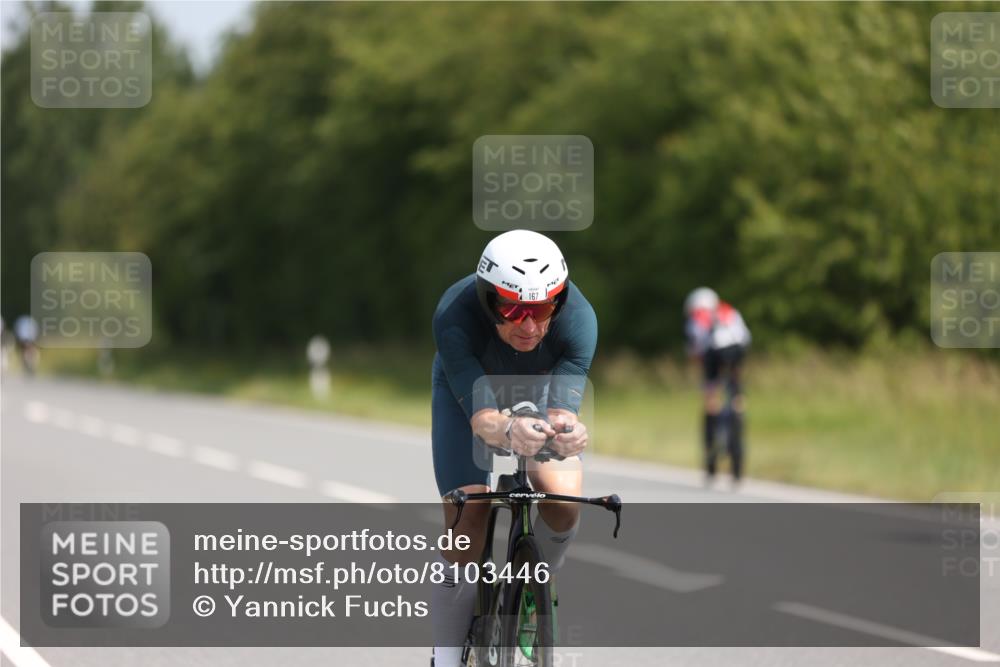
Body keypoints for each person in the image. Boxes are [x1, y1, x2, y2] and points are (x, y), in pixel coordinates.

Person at [430, 230, 597, 667]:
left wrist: (569, 432)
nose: (529, 325)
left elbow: (562, 412)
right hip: (468, 394)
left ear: (558, 301)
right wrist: (508, 432)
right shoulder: (454, 314)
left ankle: (536, 582)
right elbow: (484, 421)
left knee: (562, 497)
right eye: (513, 308)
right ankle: (445, 658)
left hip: (538, 389)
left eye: (542, 309)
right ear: (488, 301)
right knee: (469, 519)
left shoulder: (579, 319)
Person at [684, 287, 751, 484]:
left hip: (713, 352)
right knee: (737, 397)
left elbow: (696, 352)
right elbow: (745, 338)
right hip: (737, 350)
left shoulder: (696, 316)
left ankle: (711, 457)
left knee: (711, 400)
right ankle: (738, 407)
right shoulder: (730, 311)